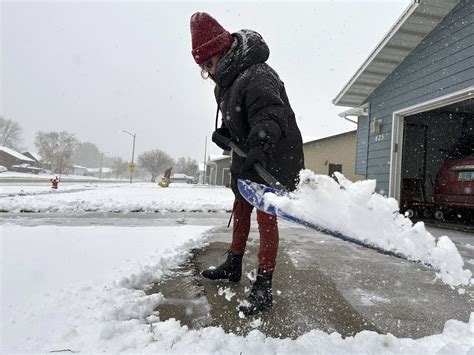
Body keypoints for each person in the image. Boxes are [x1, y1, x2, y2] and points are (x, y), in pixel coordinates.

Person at [190, 12, 304, 316]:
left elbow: (268, 114)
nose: (207, 71)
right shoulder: (225, 85)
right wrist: (227, 135)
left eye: (207, 64)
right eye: (202, 68)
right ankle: (234, 263)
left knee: (266, 219)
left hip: (273, 156)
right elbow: (243, 119)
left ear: (222, 52)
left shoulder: (258, 73)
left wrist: (262, 141)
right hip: (248, 155)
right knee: (241, 207)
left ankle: (264, 285)